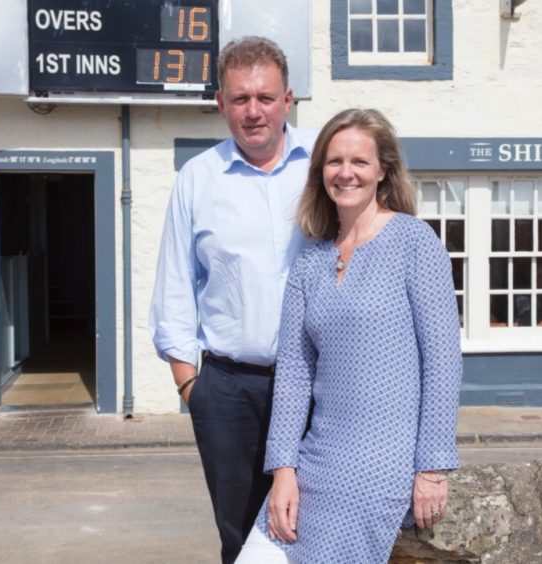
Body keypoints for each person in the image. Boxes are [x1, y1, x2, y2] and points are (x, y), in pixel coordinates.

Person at [235, 108, 463, 563]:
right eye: (334, 161)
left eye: (359, 161)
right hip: (314, 460)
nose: (346, 173)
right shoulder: (310, 262)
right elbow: (295, 377)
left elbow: (443, 360)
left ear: (383, 170)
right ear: (320, 173)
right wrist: (283, 472)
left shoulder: (415, 243)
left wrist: (433, 467)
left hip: (381, 466)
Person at [149, 36, 316, 564]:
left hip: (318, 383)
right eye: (239, 99)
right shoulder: (197, 179)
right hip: (227, 390)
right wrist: (190, 386)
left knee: (319, 526)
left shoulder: (323, 166)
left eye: (264, 97)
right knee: (242, 537)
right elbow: (175, 286)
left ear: (287, 99)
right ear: (221, 103)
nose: (253, 111)